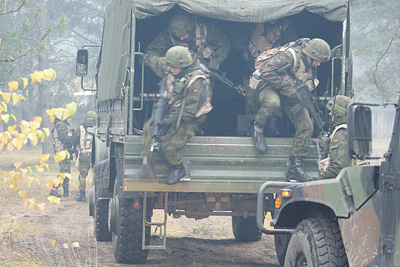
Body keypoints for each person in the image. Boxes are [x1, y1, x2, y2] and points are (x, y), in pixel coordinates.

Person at [245, 38, 331, 182]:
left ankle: (295, 168)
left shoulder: (311, 65)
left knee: (306, 126)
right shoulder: (289, 56)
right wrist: (290, 87)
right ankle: (257, 128)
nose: (318, 64)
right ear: (310, 54)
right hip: (268, 85)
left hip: (290, 91)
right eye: (316, 60)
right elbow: (267, 73)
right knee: (273, 103)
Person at [135, 46, 212, 185]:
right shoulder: (174, 65)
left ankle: (179, 168)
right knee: (148, 129)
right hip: (175, 109)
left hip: (191, 117)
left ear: (185, 66)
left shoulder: (198, 81)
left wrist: (165, 122)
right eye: (170, 66)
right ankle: (147, 167)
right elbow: (158, 63)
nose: (171, 70)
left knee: (168, 146)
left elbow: (188, 113)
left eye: (174, 68)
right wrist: (145, 58)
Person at [232, 18, 298, 137]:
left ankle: (274, 123)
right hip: (252, 65)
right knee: (251, 97)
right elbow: (237, 37)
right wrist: (243, 53)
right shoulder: (252, 21)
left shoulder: (286, 26)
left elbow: (292, 48)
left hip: (274, 68)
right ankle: (254, 125)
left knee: (273, 97)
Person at [142, 12, 231, 77]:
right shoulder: (168, 35)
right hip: (177, 76)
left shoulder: (204, 29)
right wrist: (164, 63)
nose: (181, 39)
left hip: (203, 75)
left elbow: (225, 43)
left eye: (184, 35)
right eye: (178, 36)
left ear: (191, 29)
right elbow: (151, 52)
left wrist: (217, 60)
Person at [318, 95, 352, 179]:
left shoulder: (341, 132)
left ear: (338, 114)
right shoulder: (350, 128)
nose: (330, 114)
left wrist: (320, 182)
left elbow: (337, 167)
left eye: (332, 112)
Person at [72, 111, 97, 202]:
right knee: (97, 175)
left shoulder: (80, 129)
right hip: (96, 156)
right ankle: (97, 196)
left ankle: (82, 196)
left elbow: (74, 140)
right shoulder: (98, 129)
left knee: (82, 176)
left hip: (84, 155)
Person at [50, 116, 73, 197]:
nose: (70, 120)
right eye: (69, 118)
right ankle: (54, 189)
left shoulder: (63, 125)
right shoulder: (61, 125)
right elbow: (64, 138)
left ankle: (66, 191)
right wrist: (73, 137)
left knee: (67, 172)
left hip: (64, 152)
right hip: (62, 152)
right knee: (64, 172)